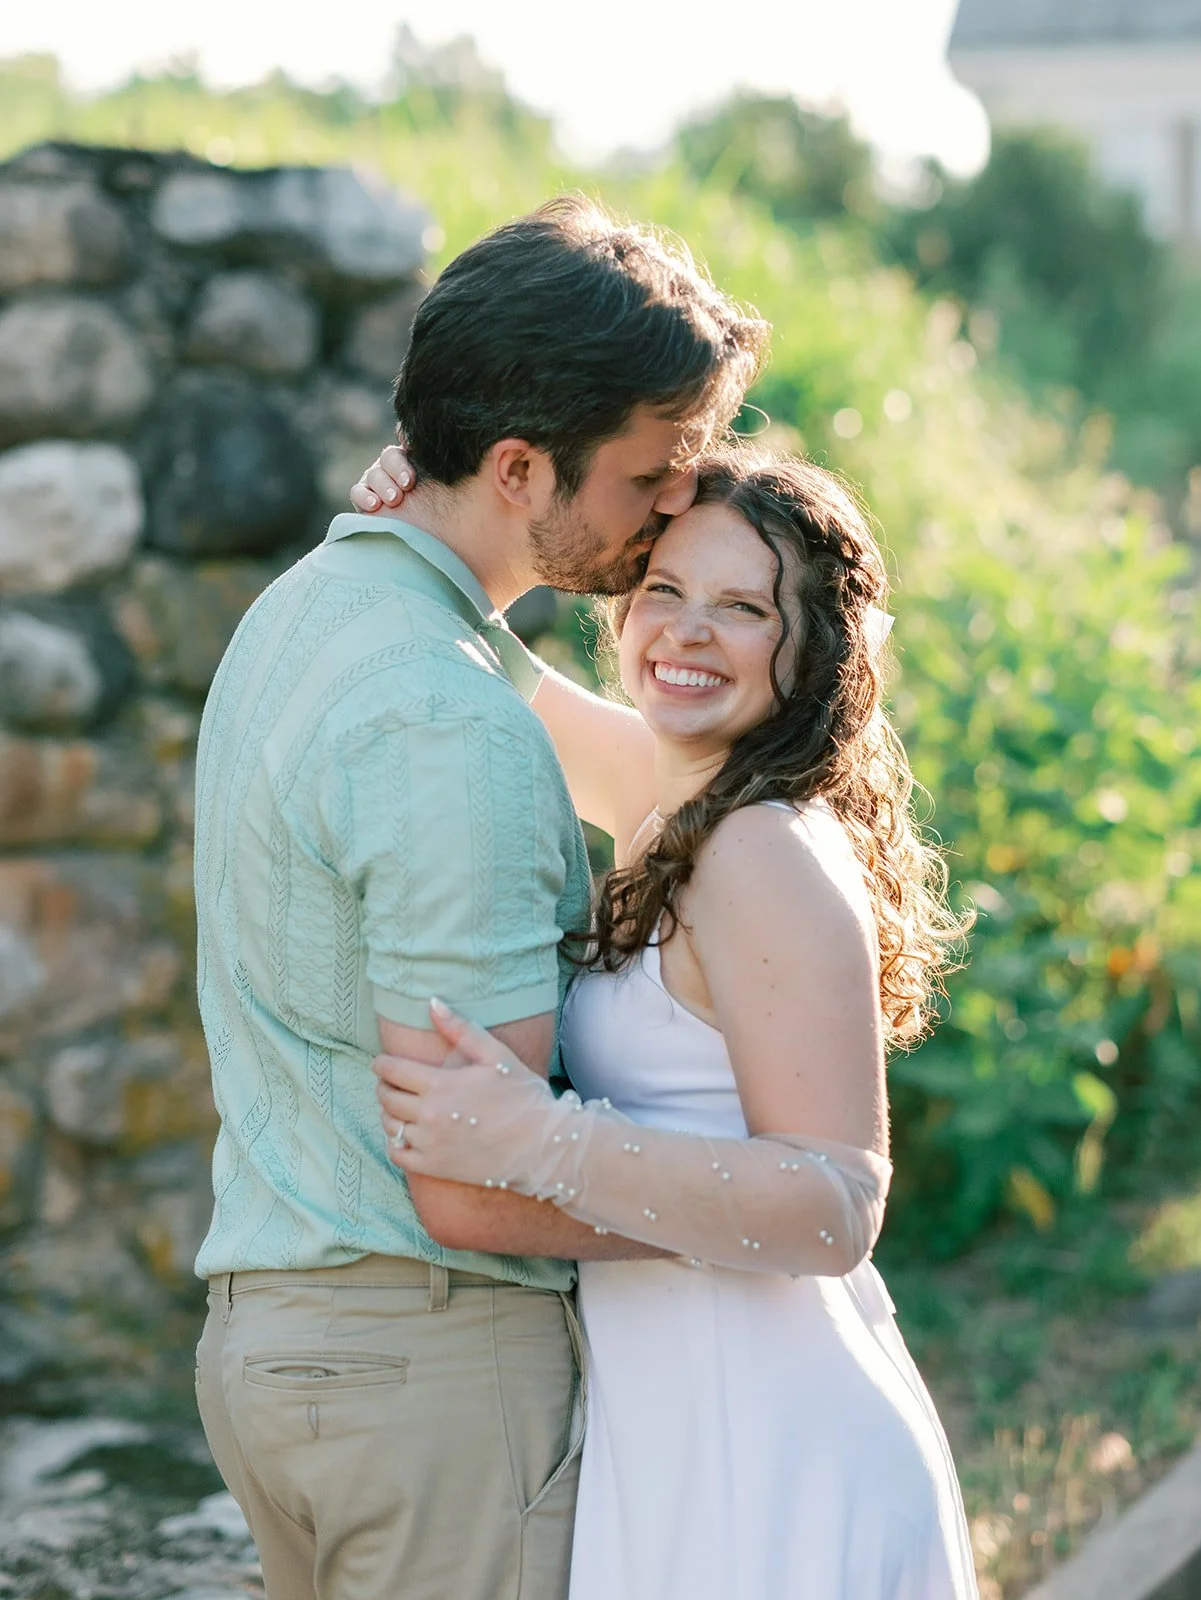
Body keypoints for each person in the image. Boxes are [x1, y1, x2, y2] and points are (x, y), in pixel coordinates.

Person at [190, 196, 767, 1600]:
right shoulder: (447, 723)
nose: (674, 505)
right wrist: (771, 1226)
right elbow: (476, 1175)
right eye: (646, 477)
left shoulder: (308, 612)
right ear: (518, 465)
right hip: (430, 1376)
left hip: (281, 1350)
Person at [366, 448, 981, 1598]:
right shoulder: (680, 798)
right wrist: (424, 506)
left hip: (772, 1457)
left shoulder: (757, 849)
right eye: (664, 592)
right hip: (687, 1436)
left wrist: (537, 1141)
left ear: (813, 653)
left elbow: (839, 1201)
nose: (687, 633)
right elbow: (497, 671)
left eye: (742, 606)